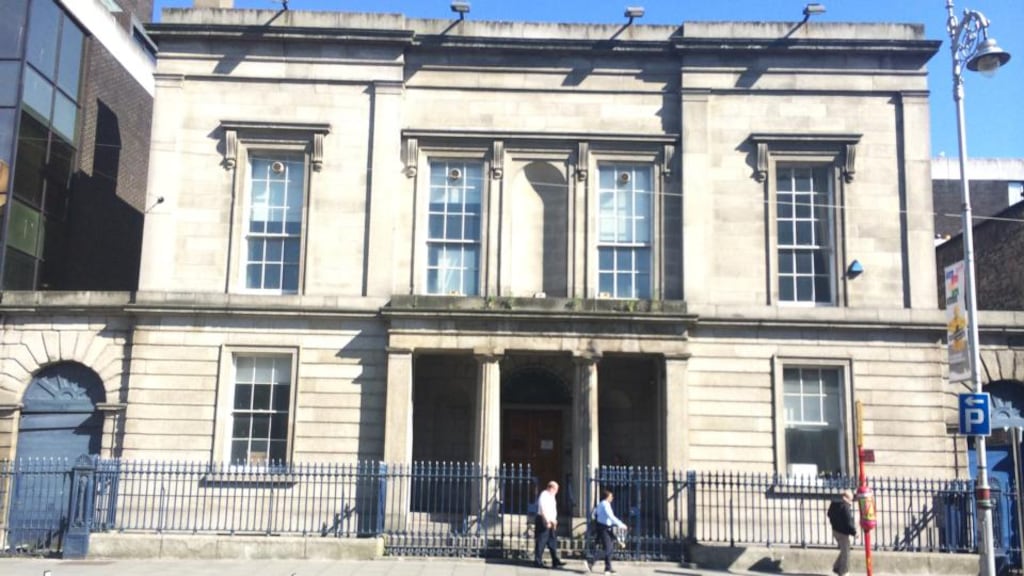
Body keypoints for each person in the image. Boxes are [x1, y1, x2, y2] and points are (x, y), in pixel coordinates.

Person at [586, 489, 628, 575]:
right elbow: (611, 517)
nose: (612, 497)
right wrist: (621, 524)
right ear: (607, 497)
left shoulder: (600, 504)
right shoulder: (606, 505)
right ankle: (591, 561)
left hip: (604, 527)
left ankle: (608, 568)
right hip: (604, 528)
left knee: (610, 548)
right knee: (607, 548)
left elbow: (596, 514)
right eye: (611, 496)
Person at [534, 480, 566, 569]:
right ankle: (537, 560)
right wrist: (547, 521)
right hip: (543, 521)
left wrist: (554, 521)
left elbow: (552, 510)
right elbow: (543, 509)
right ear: (551, 488)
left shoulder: (552, 496)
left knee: (552, 542)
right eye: (556, 489)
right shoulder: (544, 495)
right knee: (541, 541)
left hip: (551, 522)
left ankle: (555, 560)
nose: (557, 491)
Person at [826, 489, 857, 576]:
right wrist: (854, 532)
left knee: (844, 549)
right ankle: (844, 571)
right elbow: (848, 521)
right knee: (846, 552)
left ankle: (836, 567)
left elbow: (829, 514)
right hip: (843, 533)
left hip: (835, 530)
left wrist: (835, 522)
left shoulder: (834, 503)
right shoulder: (845, 506)